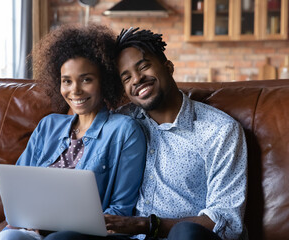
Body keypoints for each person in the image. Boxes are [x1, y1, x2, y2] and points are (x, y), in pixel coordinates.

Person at [0, 24, 146, 240]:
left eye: (86, 79)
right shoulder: (48, 125)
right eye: (67, 81)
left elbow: (121, 210)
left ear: (105, 80)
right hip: (20, 230)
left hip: (64, 237)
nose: (75, 90)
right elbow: (15, 194)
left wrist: (53, 226)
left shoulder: (124, 131)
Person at [103, 27, 248, 240]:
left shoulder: (220, 130)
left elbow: (226, 219)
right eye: (126, 78)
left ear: (168, 67)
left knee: (185, 233)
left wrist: (146, 225)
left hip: (185, 237)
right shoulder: (122, 123)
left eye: (144, 66)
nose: (137, 79)